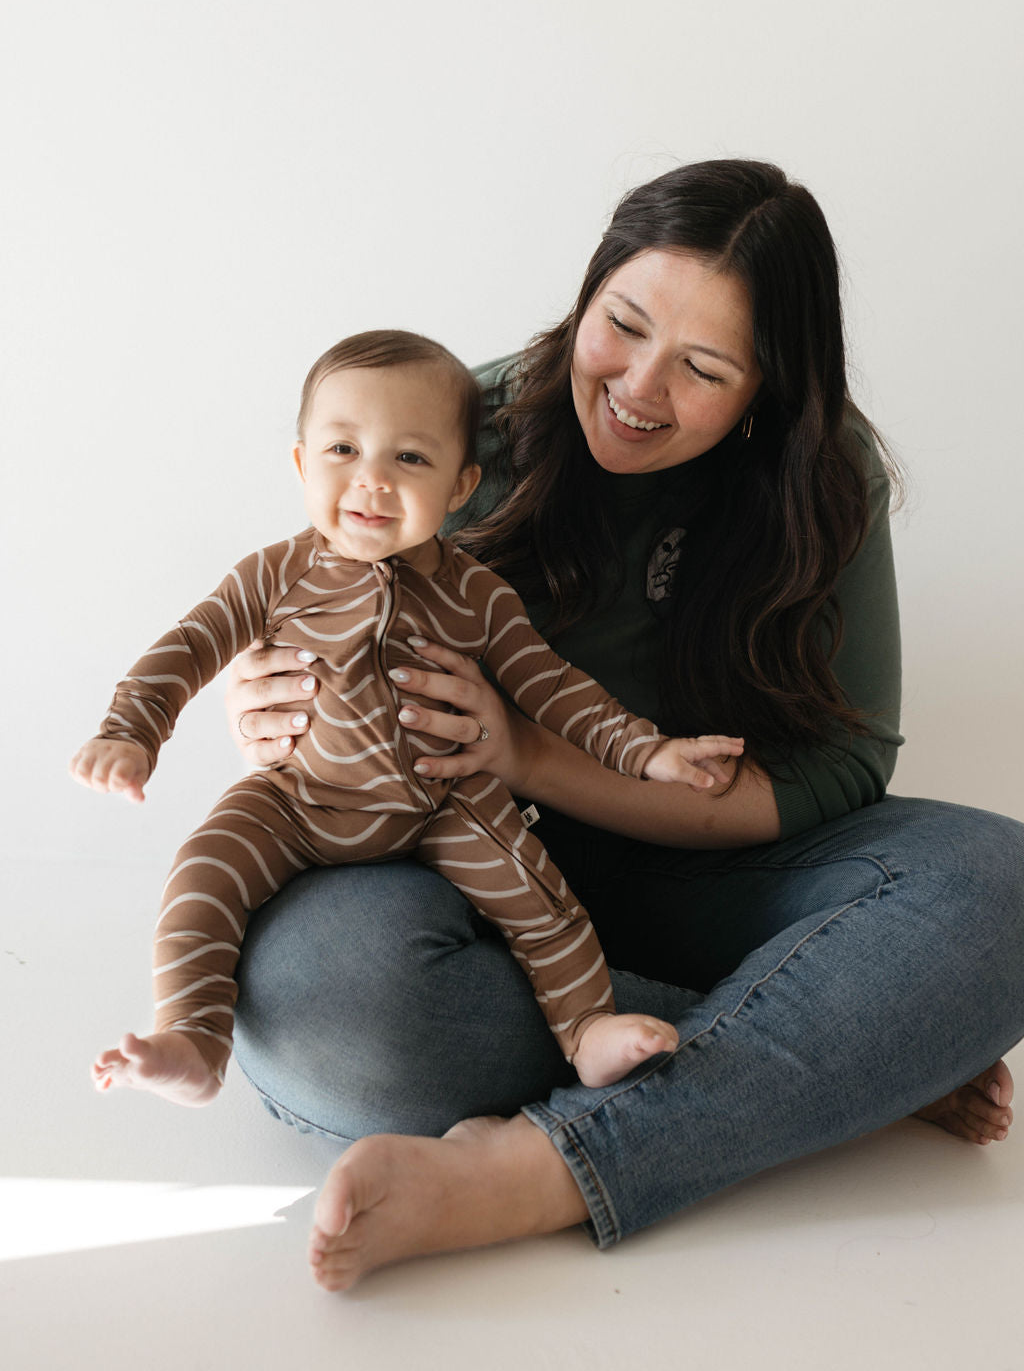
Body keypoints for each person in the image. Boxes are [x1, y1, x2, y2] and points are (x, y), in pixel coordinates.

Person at [225, 160, 1024, 1293]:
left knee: (999, 884)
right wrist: (266, 701)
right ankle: (852, 1049)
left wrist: (529, 750)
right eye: (623, 325)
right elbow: (311, 598)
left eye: (702, 368)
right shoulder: (463, 424)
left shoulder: (822, 470)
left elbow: (846, 762)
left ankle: (545, 1169)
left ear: (766, 390)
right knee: (324, 1001)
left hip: (708, 873)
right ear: (588, 289)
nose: (639, 386)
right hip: (470, 876)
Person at [70, 331, 745, 1101]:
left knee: (541, 895)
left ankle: (587, 1029)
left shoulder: (478, 594)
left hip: (439, 802)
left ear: (461, 487)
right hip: (295, 799)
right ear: (299, 463)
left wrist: (646, 752)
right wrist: (129, 729)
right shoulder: (273, 574)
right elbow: (190, 645)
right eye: (343, 450)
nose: (372, 482)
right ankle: (192, 1037)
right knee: (203, 870)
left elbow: (553, 688)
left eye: (410, 459)